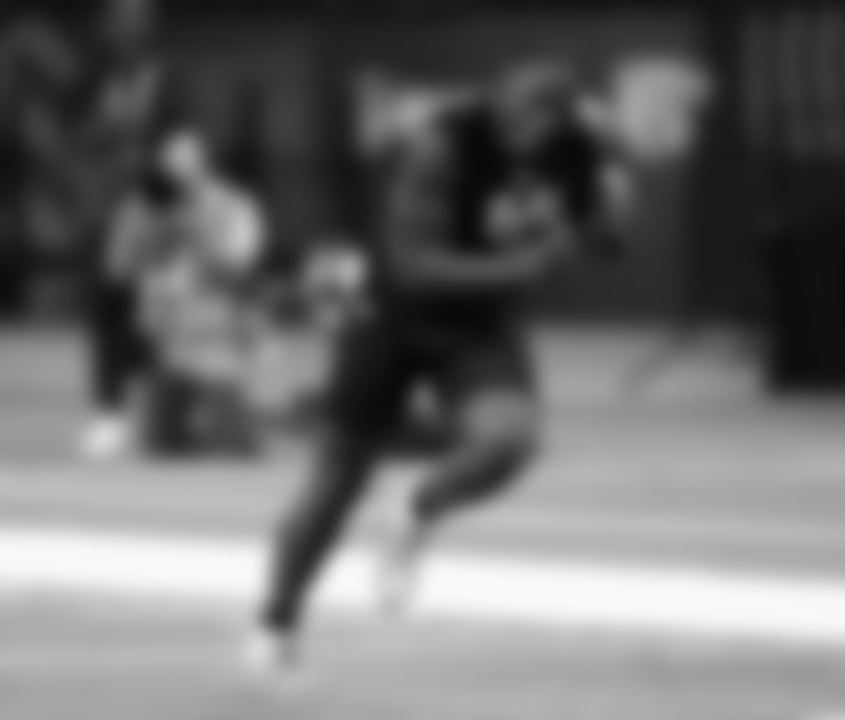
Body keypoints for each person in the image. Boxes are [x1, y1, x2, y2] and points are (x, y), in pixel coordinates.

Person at [248, 62, 632, 676]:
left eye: (545, 124)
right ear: (500, 111)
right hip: (392, 317)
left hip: (476, 323)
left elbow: (602, 239)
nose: (528, 136)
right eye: (518, 120)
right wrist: (521, 267)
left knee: (511, 440)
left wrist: (613, 191)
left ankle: (419, 505)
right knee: (338, 476)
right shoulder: (444, 145)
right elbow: (411, 266)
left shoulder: (575, 149)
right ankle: (276, 620)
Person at [69, 0, 188, 459]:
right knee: (105, 309)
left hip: (151, 212)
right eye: (120, 22)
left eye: (137, 22)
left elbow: (185, 146)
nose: (127, 31)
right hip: (103, 210)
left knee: (150, 318)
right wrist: (101, 130)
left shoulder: (165, 80)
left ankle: (160, 402)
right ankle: (107, 412)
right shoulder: (92, 78)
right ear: (107, 28)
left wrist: (164, 193)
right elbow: (74, 137)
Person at [113, 131, 269, 456]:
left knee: (234, 443)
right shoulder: (148, 208)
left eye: (185, 168)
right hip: (169, 331)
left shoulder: (232, 206)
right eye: (171, 168)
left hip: (218, 325)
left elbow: (239, 263)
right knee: (163, 443)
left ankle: (223, 415)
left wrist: (195, 243)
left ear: (203, 168)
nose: (178, 177)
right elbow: (125, 264)